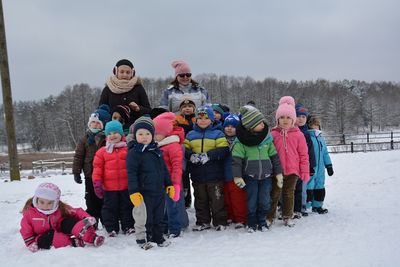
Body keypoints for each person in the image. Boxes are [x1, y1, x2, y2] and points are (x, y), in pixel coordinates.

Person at [126, 116, 175, 249]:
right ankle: (143, 239)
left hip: (158, 191)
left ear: (152, 135)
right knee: (144, 217)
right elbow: (131, 174)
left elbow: (164, 170)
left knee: (158, 216)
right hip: (143, 192)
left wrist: (169, 184)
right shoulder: (133, 153)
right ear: (135, 135)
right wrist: (134, 192)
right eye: (140, 134)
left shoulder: (156, 151)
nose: (144, 137)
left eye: (148, 134)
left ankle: (158, 237)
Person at [232, 106, 282, 232]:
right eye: (259, 123)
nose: (263, 124)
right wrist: (237, 176)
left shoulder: (267, 139)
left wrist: (279, 173)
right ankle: (251, 222)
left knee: (265, 201)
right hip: (250, 177)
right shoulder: (241, 142)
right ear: (250, 126)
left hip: (266, 177)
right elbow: (236, 161)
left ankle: (262, 221)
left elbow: (274, 157)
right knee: (251, 202)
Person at [20, 183, 104, 252]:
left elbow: (76, 211)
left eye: (49, 203)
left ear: (56, 202)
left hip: (59, 227)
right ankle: (74, 242)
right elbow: (25, 230)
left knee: (71, 222)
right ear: (36, 199)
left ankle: (92, 237)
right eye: (42, 202)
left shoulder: (59, 208)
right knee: (51, 239)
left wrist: (87, 217)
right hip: (43, 236)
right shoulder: (30, 214)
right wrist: (30, 243)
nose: (45, 206)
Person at [184, 106, 229, 231]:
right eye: (200, 118)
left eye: (206, 118)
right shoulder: (191, 134)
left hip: (214, 175)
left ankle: (220, 221)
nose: (203, 121)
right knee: (200, 199)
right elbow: (184, 149)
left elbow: (224, 149)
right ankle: (203, 221)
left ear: (212, 120)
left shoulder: (218, 133)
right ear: (196, 120)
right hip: (197, 175)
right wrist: (191, 155)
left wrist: (209, 155)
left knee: (217, 199)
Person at [267, 96, 309, 227]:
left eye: (288, 117)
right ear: (277, 119)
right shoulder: (272, 134)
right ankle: (269, 217)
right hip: (276, 171)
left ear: (293, 119)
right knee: (274, 194)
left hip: (292, 170)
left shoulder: (298, 134)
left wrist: (305, 171)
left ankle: (287, 216)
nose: (285, 120)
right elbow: (267, 153)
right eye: (282, 117)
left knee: (288, 194)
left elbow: (303, 155)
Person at [92, 120, 134, 236]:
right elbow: (97, 168)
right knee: (110, 209)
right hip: (110, 188)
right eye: (109, 133)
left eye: (115, 132)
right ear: (106, 136)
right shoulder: (102, 152)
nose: (112, 135)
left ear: (121, 134)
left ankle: (128, 226)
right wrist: (97, 182)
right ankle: (111, 228)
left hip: (126, 187)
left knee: (127, 207)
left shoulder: (128, 149)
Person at [72, 105, 111, 227]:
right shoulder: (85, 138)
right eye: (92, 123)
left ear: (104, 124)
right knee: (90, 199)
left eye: (98, 123)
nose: (95, 125)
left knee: (104, 199)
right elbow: (78, 156)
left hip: (104, 176)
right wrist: (76, 172)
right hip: (89, 175)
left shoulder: (107, 138)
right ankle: (93, 220)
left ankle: (106, 219)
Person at [153, 112, 189, 238]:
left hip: (172, 183)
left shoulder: (173, 145)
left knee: (172, 207)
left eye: (156, 134)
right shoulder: (159, 145)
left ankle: (175, 229)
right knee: (163, 207)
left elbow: (177, 166)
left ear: (165, 132)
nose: (154, 136)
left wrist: (175, 184)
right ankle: (164, 227)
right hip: (160, 182)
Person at [99, 59, 151, 126]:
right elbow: (101, 111)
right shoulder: (108, 89)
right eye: (122, 72)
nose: (125, 75)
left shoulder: (138, 88)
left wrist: (138, 108)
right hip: (113, 129)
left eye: (128, 72)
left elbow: (149, 111)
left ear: (132, 73)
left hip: (135, 128)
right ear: (116, 72)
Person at [222, 114, 247, 229]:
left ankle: (240, 218)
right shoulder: (221, 139)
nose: (229, 128)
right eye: (227, 126)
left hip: (236, 174)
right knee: (226, 198)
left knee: (238, 198)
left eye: (233, 126)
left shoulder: (241, 140)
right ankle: (230, 216)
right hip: (223, 174)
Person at [307, 115, 334, 214]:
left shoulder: (321, 138)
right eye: (313, 124)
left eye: (317, 125)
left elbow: (325, 153)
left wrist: (329, 165)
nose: (315, 127)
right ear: (309, 126)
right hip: (311, 167)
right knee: (309, 186)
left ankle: (317, 206)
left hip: (321, 169)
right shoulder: (307, 137)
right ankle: (305, 206)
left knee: (319, 186)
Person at [294, 103, 316, 218]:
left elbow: (310, 151)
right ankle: (288, 208)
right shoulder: (290, 131)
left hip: (304, 165)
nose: (301, 119)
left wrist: (311, 166)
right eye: (298, 116)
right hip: (292, 165)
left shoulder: (307, 133)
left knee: (302, 188)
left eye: (303, 117)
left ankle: (301, 207)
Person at [175, 97, 197, 208]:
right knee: (183, 177)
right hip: (181, 152)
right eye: (184, 107)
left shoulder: (197, 120)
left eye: (189, 107)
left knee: (196, 177)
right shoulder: (177, 119)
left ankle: (197, 199)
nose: (187, 109)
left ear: (193, 109)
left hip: (194, 151)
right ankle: (185, 200)